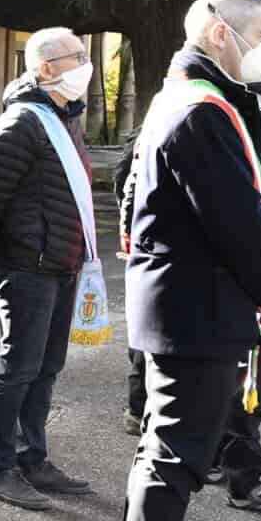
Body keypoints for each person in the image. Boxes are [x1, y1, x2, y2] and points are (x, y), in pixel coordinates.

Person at [114, 0, 261, 521]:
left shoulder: (192, 95)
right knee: (173, 459)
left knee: (162, 452)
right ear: (221, 33)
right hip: (196, 313)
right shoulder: (199, 108)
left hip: (190, 307)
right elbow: (238, 223)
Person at [0, 27, 94, 512]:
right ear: (44, 68)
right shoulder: (22, 122)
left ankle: (32, 457)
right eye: (75, 56)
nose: (84, 63)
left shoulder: (63, 118)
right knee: (18, 367)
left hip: (61, 263)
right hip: (28, 266)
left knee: (46, 367)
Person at [217, 27, 261, 515]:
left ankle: (227, 459)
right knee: (254, 380)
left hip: (252, 268)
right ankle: (244, 477)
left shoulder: (236, 106)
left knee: (246, 378)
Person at [113, 129, 147, 437]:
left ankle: (137, 411)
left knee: (142, 335)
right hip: (154, 251)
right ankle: (139, 411)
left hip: (141, 246)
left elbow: (121, 182)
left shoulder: (146, 128)